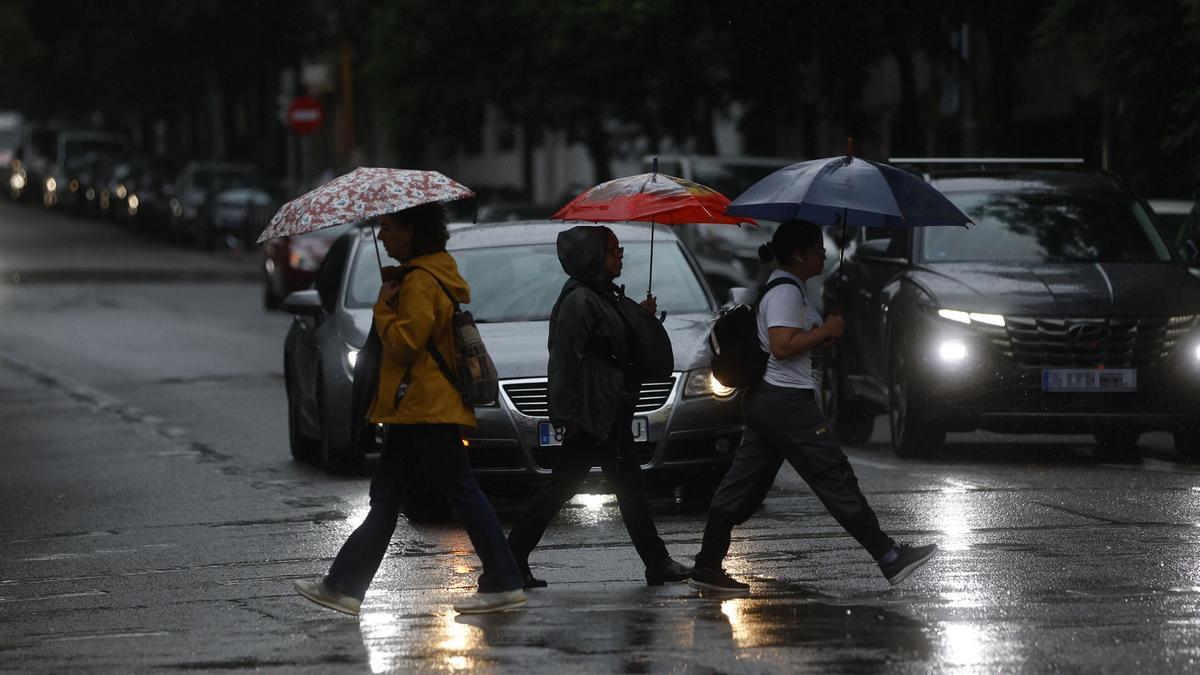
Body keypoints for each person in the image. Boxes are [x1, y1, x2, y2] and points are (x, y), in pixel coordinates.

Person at [294, 202, 527, 615]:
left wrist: (383, 307)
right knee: (387, 495)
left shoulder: (420, 281)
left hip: (425, 406)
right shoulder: (426, 275)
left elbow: (406, 344)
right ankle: (343, 585)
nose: (381, 236)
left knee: (458, 490)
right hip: (414, 406)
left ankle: (504, 581)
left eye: (387, 228)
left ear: (412, 231)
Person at [689, 219, 938, 593]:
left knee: (740, 488)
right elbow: (782, 346)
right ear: (797, 254)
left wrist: (822, 334)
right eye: (817, 248)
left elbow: (793, 341)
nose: (824, 253)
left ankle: (707, 566)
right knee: (834, 477)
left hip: (769, 402)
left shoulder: (787, 289)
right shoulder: (786, 293)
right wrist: (825, 332)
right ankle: (889, 557)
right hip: (786, 403)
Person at [507, 225, 692, 588]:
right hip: (593, 415)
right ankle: (510, 559)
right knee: (569, 487)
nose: (620, 254)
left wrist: (638, 315)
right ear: (594, 258)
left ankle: (656, 561)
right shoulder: (580, 301)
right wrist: (568, 417)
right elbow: (563, 362)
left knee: (623, 485)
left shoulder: (601, 295)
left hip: (608, 411)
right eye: (612, 250)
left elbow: (609, 342)